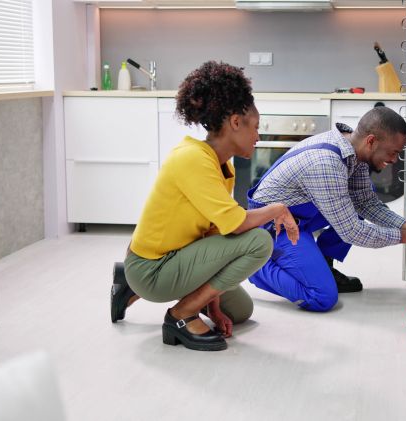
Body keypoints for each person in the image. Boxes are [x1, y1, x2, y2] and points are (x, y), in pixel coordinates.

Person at [109, 61, 299, 351]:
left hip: (178, 256)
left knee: (240, 312)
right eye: (256, 127)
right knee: (259, 241)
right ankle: (179, 317)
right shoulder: (193, 159)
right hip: (153, 268)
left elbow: (215, 235)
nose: (258, 136)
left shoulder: (223, 166)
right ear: (235, 122)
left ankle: (128, 286)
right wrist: (278, 209)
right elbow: (237, 224)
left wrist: (213, 308)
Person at [247, 107, 406, 312]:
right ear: (371, 141)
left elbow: (367, 204)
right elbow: (351, 232)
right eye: (393, 152)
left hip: (299, 213)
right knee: (322, 297)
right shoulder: (327, 163)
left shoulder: (356, 152)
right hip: (274, 224)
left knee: (356, 203)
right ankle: (255, 265)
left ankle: (324, 267)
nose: (394, 160)